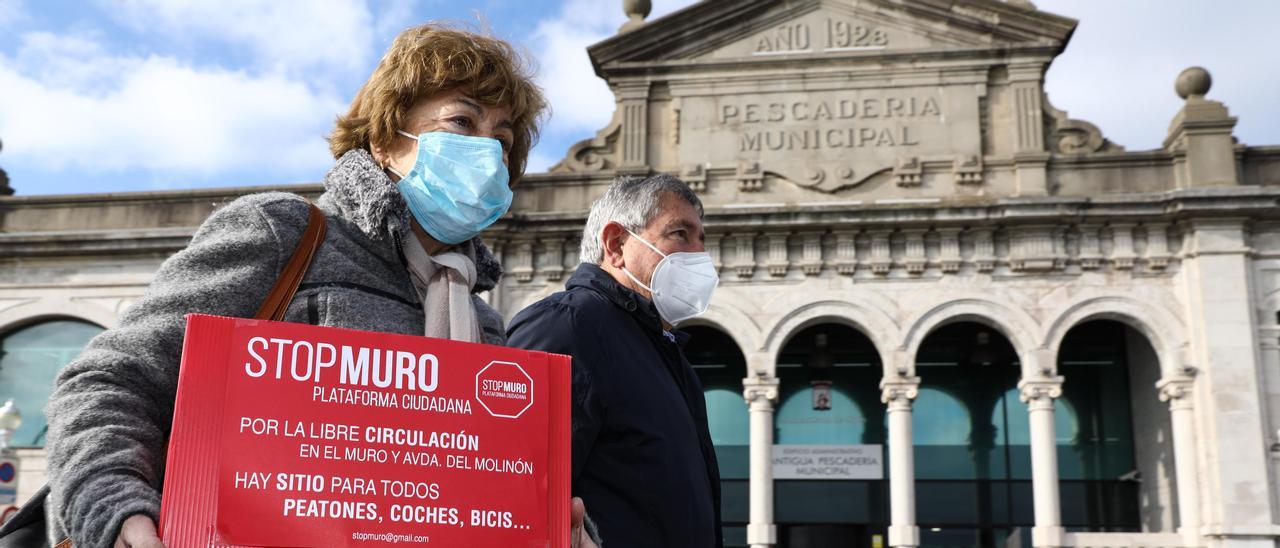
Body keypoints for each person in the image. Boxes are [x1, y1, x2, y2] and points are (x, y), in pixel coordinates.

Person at [41, 23, 598, 548]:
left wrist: (556, 529)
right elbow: (112, 380)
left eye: (502, 140)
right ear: (385, 138)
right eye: (461, 123)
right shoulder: (283, 234)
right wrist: (114, 507)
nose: (487, 152)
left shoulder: (483, 324)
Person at [507, 175, 724, 547]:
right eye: (680, 234)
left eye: (701, 239)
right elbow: (513, 485)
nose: (699, 254)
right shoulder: (569, 326)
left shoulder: (665, 354)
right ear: (617, 244)